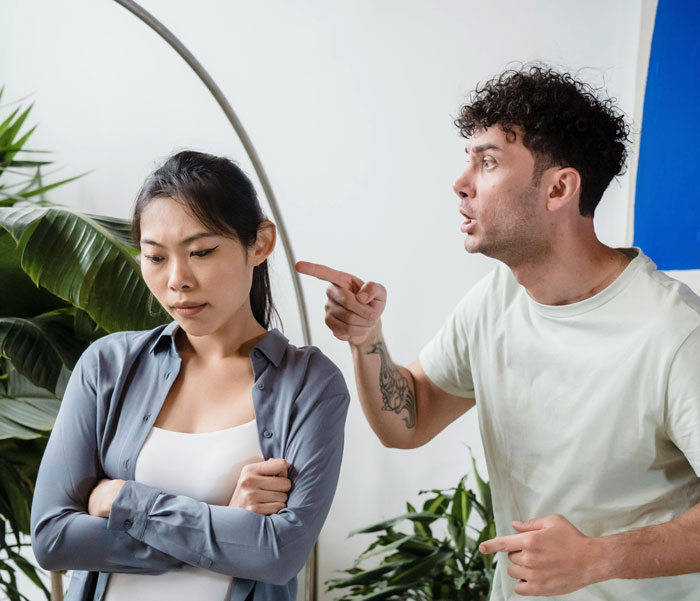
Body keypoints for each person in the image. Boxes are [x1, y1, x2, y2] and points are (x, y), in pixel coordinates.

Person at [296, 65, 700, 600]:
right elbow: (409, 419)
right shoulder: (497, 298)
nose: (461, 183)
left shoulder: (673, 333)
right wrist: (367, 337)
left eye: (487, 162)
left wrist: (598, 558)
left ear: (559, 188)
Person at [30, 150, 350, 601]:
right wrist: (225, 525)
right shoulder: (107, 365)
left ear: (259, 243)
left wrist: (124, 500)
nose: (178, 280)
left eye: (200, 252)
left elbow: (279, 553)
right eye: (156, 257)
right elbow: (52, 538)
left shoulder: (311, 384)